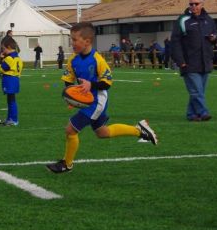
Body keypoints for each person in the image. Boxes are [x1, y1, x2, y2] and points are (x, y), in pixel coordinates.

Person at [45, 22, 158, 174]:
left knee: (70, 130)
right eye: (71, 39)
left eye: (74, 40)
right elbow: (68, 79)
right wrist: (71, 95)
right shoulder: (73, 59)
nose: (72, 43)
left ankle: (67, 164)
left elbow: (106, 84)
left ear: (87, 41)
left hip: (97, 101)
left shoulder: (98, 60)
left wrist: (90, 85)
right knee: (102, 132)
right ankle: (139, 130)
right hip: (86, 102)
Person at [170, 0, 217, 122]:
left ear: (202, 4)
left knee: (197, 91)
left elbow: (215, 36)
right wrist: (180, 61)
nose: (193, 6)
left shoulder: (209, 20)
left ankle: (191, 114)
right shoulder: (182, 20)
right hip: (189, 63)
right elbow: (175, 42)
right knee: (196, 91)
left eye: (196, 4)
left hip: (205, 61)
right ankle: (203, 112)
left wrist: (214, 38)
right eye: (191, 4)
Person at [0, 36, 22, 126]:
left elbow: (1, 68)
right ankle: (10, 118)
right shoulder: (18, 58)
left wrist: (1, 59)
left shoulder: (9, 58)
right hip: (15, 79)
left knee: (11, 101)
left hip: (10, 80)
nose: (3, 51)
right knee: (10, 100)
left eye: (3, 49)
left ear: (8, 47)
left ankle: (14, 119)